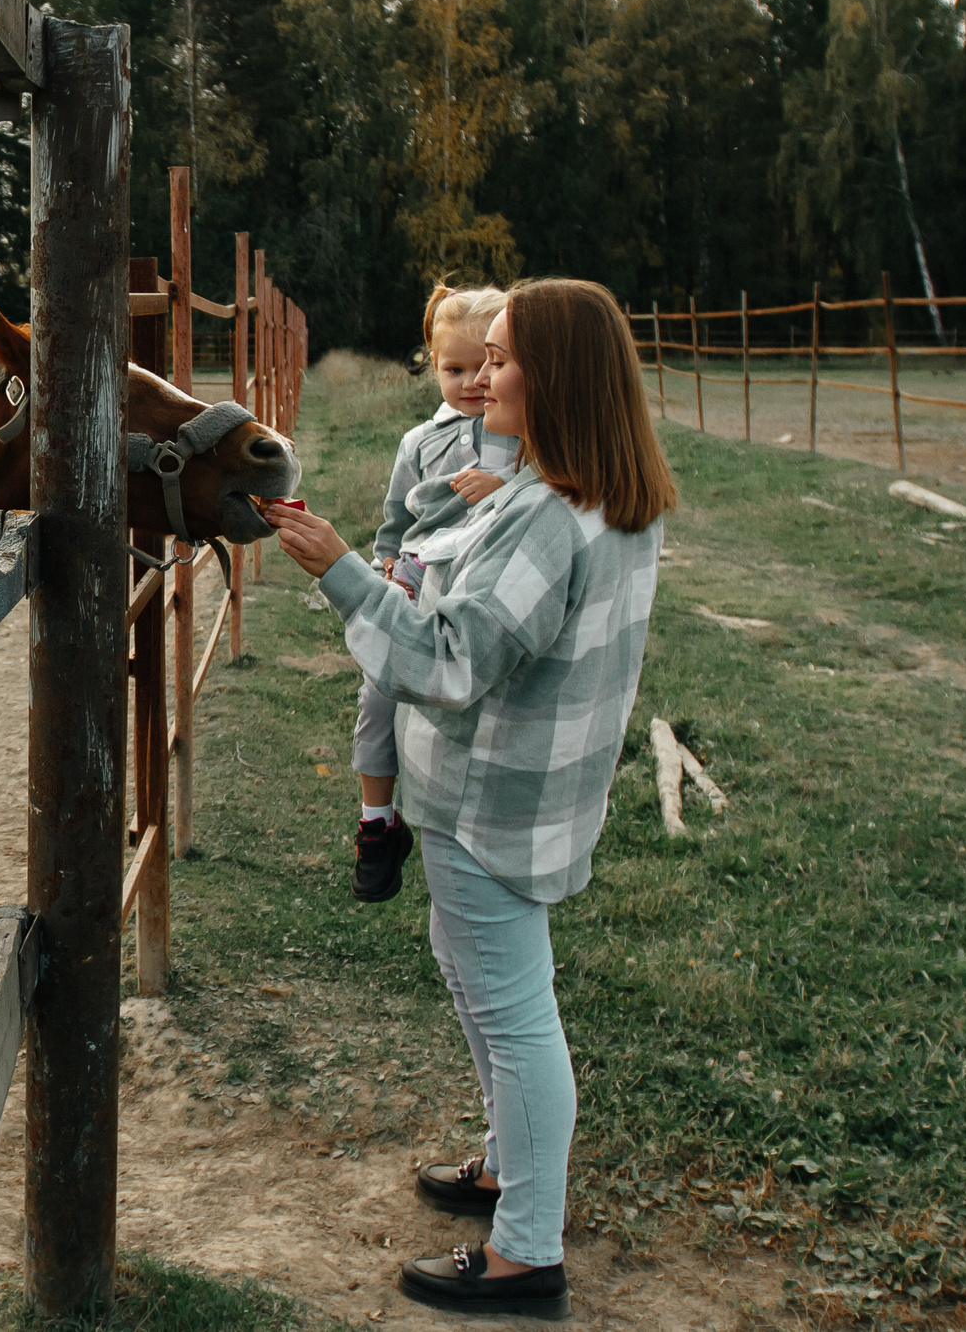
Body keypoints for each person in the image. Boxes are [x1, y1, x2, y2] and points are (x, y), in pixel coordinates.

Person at [263, 279, 676, 1320]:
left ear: (556, 375)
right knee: (480, 978)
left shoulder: (552, 519)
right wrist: (494, 522)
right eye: (479, 356)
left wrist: (340, 572)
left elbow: (454, 660)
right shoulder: (576, 494)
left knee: (514, 1014)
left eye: (500, 357)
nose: (479, 375)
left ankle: (526, 1251)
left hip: (491, 801)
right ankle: (504, 1170)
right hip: (519, 797)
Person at [352, 286, 517, 905]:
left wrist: (505, 478)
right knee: (378, 692)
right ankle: (377, 821)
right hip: (422, 578)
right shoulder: (420, 443)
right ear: (432, 364)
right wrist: (387, 570)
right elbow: (394, 527)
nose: (473, 382)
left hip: (484, 583)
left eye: (486, 365)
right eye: (454, 369)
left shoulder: (526, 433)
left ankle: (467, 809)